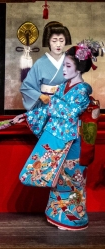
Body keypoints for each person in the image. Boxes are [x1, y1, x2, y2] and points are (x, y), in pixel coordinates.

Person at [14, 39, 101, 231]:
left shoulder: (83, 91)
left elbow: (68, 112)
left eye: (68, 65)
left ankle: (74, 218)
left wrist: (51, 102)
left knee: (72, 180)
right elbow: (49, 109)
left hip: (73, 141)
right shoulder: (63, 87)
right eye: (64, 64)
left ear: (78, 69)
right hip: (59, 139)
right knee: (58, 179)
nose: (63, 69)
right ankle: (58, 215)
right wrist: (27, 116)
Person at [20, 22, 71, 111]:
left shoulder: (71, 61)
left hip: (66, 105)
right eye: (54, 41)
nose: (58, 44)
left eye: (61, 40)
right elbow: (26, 87)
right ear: (48, 42)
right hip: (46, 106)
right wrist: (40, 96)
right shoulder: (40, 63)